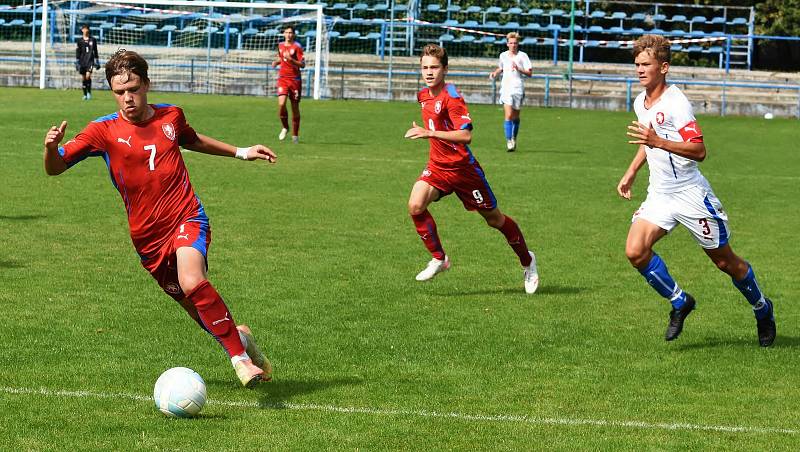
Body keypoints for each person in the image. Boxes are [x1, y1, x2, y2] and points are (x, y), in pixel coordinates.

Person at [43, 50, 278, 387]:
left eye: (134, 89)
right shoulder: (102, 131)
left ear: (147, 84)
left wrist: (241, 151)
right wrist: (51, 149)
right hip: (148, 240)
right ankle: (241, 342)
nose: (127, 98)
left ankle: (239, 360)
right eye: (119, 92)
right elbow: (56, 168)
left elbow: (192, 139)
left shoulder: (171, 116)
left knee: (192, 280)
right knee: (197, 309)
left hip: (186, 216)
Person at [617, 35, 776, 346]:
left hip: (690, 193)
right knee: (635, 251)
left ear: (663, 67)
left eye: (645, 64)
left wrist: (658, 142)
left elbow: (699, 150)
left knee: (725, 262)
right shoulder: (640, 101)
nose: (639, 69)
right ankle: (679, 301)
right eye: (636, 64)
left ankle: (762, 308)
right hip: (660, 194)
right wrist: (631, 171)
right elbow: (648, 141)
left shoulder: (677, 104)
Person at [404, 44, 539, 294]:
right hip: (438, 167)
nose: (429, 72)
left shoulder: (452, 97)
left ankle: (528, 261)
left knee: (494, 220)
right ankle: (439, 258)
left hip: (464, 171)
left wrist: (429, 132)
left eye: (434, 67)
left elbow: (466, 136)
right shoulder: (423, 95)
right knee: (415, 205)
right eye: (425, 67)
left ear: (445, 69)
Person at [489, 32, 532, 152]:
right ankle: (509, 141)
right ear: (507, 44)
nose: (513, 45)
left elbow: (530, 73)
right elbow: (501, 68)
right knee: (508, 115)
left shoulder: (523, 56)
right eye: (511, 43)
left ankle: (514, 137)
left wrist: (519, 69)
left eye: (515, 43)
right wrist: (495, 73)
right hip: (506, 88)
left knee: (516, 117)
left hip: (518, 88)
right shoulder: (503, 56)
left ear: (518, 44)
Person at [271, 26, 305, 144]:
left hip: (295, 80)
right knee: (281, 104)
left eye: (291, 33)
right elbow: (282, 59)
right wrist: (276, 62)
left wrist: (291, 60)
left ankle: (295, 135)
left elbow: (302, 64)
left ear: (294, 34)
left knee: (295, 108)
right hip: (283, 79)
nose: (289, 34)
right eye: (287, 32)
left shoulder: (297, 47)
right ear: (284, 34)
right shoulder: (280, 46)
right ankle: (285, 127)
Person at [75, 24, 100, 100]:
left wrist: (97, 60)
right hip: (82, 61)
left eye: (86, 29)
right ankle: (85, 94)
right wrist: (77, 61)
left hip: (90, 61)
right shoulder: (79, 40)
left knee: (88, 76)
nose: (85, 30)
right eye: (84, 29)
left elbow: (95, 50)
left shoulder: (93, 40)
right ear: (82, 30)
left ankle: (89, 93)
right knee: (83, 78)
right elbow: (78, 51)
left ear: (88, 30)